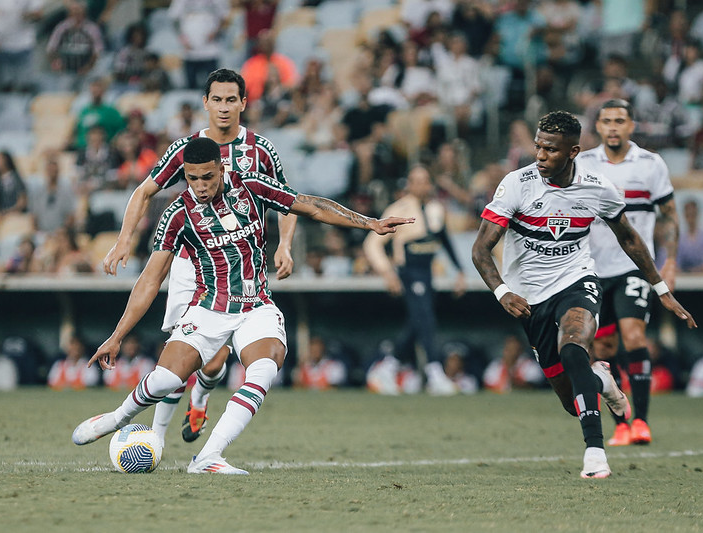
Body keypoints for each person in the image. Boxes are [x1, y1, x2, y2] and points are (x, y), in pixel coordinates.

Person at [71, 136, 414, 475]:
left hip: (255, 306)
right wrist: (117, 335)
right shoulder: (177, 214)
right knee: (164, 379)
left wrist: (368, 222)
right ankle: (118, 418)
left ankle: (207, 457)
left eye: (207, 176)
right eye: (192, 178)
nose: (200, 185)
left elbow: (310, 205)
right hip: (208, 308)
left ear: (221, 168)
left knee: (264, 369)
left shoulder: (251, 185)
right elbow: (150, 279)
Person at [471, 110, 696, 479]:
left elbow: (628, 236)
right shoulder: (516, 184)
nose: (541, 156)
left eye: (551, 150)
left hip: (576, 280)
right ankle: (604, 381)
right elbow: (481, 249)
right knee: (572, 400)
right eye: (538, 147)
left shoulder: (597, 186)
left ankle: (595, 453)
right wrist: (501, 292)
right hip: (529, 297)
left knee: (573, 346)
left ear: (573, 151)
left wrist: (661, 288)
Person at [100, 69, 299, 446]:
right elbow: (144, 191)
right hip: (192, 264)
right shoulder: (185, 150)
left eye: (231, 100)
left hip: (240, 264)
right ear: (205, 103)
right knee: (180, 356)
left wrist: (283, 245)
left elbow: (287, 202)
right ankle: (155, 439)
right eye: (217, 100)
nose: (224, 108)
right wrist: (123, 240)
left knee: (216, 359)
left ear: (243, 103)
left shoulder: (261, 150)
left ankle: (201, 399)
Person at [578, 99, 680, 448]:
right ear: (598, 127)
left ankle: (642, 421)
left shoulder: (650, 164)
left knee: (634, 336)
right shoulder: (584, 163)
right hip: (592, 268)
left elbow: (669, 215)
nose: (613, 127)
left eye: (619, 121)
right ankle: (621, 422)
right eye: (606, 121)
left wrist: (670, 261)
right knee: (602, 347)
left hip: (634, 266)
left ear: (631, 126)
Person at [363, 164, 467, 395]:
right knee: (426, 319)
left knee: (418, 321)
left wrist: (459, 270)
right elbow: (372, 243)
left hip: (427, 271)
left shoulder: (436, 209)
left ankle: (387, 367)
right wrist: (387, 272)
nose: (421, 185)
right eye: (416, 180)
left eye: (425, 180)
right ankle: (434, 371)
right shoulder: (398, 209)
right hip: (409, 272)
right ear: (409, 184)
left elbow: (445, 240)